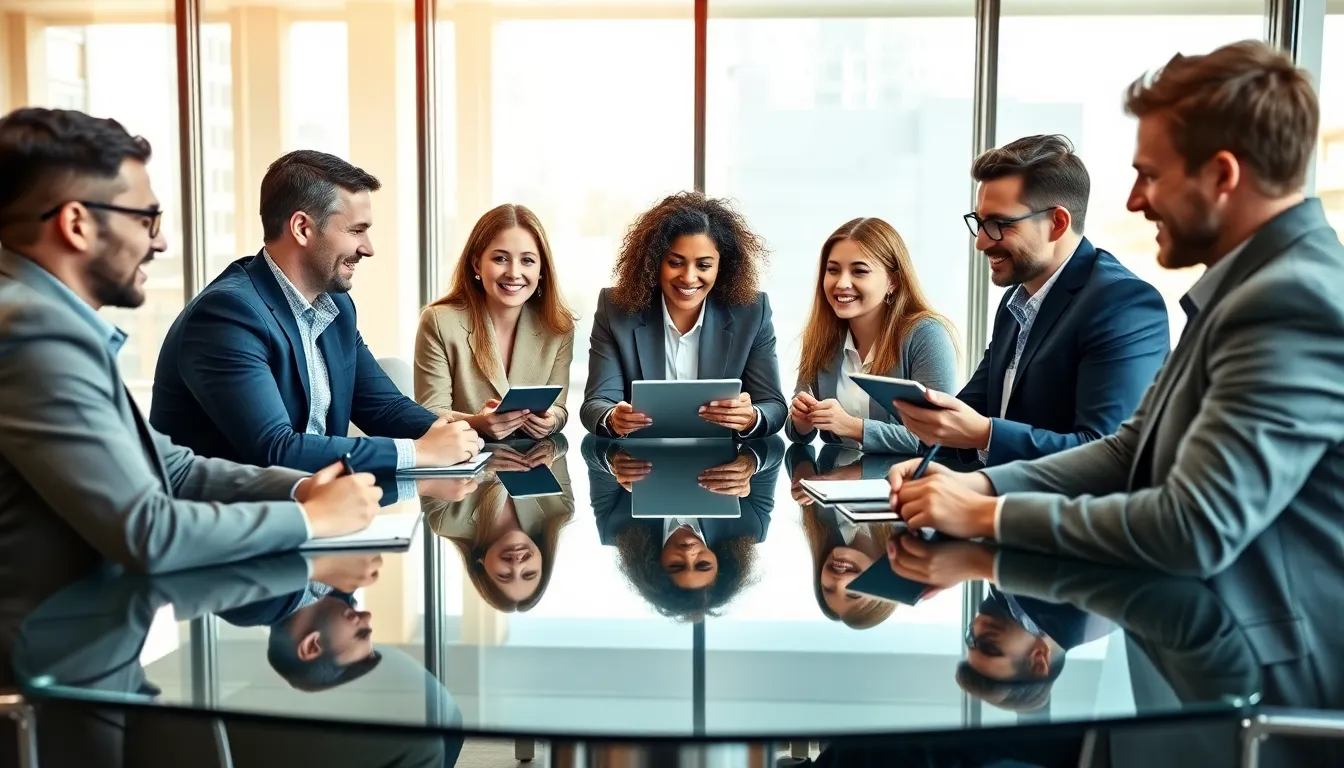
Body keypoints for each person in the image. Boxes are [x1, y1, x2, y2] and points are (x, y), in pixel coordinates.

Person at [886, 41, 1344, 579]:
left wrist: (987, 512)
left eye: (1150, 174)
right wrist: (978, 484)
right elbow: (1130, 451)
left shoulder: (1291, 301)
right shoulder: (1251, 287)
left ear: (1222, 176)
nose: (1133, 200)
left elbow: (1193, 527)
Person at [0, 108, 381, 587]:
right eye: (146, 219)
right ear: (76, 224)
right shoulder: (32, 335)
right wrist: (313, 519)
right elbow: (149, 532)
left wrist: (305, 488)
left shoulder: (48, 322)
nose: (159, 242)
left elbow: (171, 468)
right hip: (49, 652)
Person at [149, 149, 480, 474]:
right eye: (356, 230)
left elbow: (382, 406)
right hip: (231, 518)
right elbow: (275, 449)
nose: (368, 248)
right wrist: (418, 451)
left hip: (316, 506)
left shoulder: (336, 306)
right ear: (302, 228)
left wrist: (468, 430)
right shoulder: (228, 315)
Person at [891, 134, 1169, 467]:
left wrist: (985, 435)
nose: (981, 242)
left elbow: (1107, 456)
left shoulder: (1124, 303)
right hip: (990, 509)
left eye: (998, 224)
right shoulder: (1015, 303)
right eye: (979, 223)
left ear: (1057, 223)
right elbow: (961, 420)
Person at [580, 191, 787, 439]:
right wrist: (613, 418)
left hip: (720, 466)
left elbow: (773, 405)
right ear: (655, 261)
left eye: (704, 265)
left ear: (723, 266)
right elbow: (596, 403)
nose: (689, 277)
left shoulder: (752, 312)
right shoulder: (615, 310)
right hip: (639, 465)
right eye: (676, 262)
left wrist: (751, 417)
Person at [787, 217, 958, 453]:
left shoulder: (926, 336)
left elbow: (940, 436)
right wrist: (800, 420)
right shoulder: (822, 335)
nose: (841, 283)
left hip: (903, 484)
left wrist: (853, 427)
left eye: (859, 271)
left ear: (893, 281)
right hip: (837, 480)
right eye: (833, 270)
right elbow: (798, 431)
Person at [414, 203, 576, 441]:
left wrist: (551, 421)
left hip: (531, 467)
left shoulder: (558, 327)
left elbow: (558, 409)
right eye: (500, 258)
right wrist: (476, 423)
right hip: (463, 467)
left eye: (527, 261)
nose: (513, 272)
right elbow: (429, 413)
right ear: (477, 264)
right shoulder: (439, 321)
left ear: (542, 270)